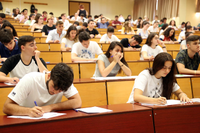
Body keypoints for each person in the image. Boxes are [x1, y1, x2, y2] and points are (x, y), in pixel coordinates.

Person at [3, 63, 82, 117]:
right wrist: (28, 111)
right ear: (49, 75)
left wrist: (51, 107)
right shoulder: (30, 79)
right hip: (27, 121)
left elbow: (77, 102)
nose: (55, 92)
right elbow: (7, 107)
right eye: (53, 87)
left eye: (60, 91)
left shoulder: (65, 82)